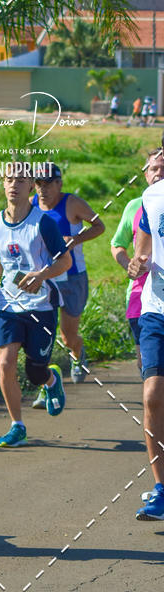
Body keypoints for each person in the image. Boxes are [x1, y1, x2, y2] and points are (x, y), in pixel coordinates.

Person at [0, 168, 71, 447]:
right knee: (5, 363)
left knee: (35, 373)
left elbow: (65, 261)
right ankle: (17, 426)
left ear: (31, 185)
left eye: (20, 180)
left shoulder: (43, 223)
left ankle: (50, 380)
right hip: (7, 304)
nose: (13, 185)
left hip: (41, 306)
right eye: (9, 180)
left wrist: (41, 275)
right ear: (3, 185)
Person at [31, 163, 105, 404]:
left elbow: (99, 226)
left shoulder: (72, 203)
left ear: (59, 184)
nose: (43, 190)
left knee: (68, 336)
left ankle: (77, 352)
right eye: (38, 184)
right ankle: (46, 384)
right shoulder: (31, 205)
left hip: (72, 276)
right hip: (45, 277)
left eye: (48, 184)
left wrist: (75, 239)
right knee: (44, 334)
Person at [128, 136, 164, 520]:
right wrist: (136, 264)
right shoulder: (151, 198)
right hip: (156, 309)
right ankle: (161, 489)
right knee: (152, 396)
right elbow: (142, 253)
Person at [110, 149, 164, 371]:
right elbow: (117, 244)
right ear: (145, 174)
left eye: (163, 169)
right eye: (154, 169)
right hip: (140, 296)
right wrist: (130, 265)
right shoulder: (135, 206)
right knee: (147, 365)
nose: (158, 173)